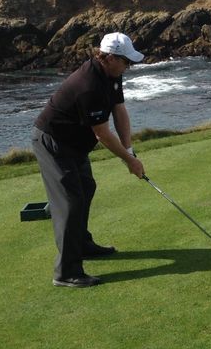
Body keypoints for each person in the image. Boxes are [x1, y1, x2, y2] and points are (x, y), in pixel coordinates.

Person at [31, 31, 146, 288]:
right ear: (107, 57)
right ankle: (67, 272)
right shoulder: (90, 85)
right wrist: (129, 161)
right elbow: (103, 133)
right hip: (54, 143)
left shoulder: (112, 76)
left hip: (75, 144)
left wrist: (129, 148)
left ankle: (81, 244)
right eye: (125, 61)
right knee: (71, 201)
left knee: (86, 188)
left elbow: (119, 110)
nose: (128, 66)